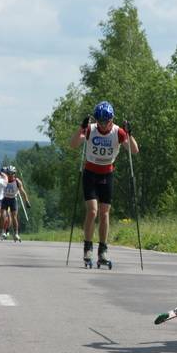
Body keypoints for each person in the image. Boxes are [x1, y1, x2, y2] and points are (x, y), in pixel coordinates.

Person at [69, 101, 139, 265]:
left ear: (112, 119)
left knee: (104, 212)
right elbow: (73, 145)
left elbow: (134, 150)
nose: (103, 125)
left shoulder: (117, 132)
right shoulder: (91, 129)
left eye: (106, 122)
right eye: (100, 121)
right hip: (90, 173)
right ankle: (88, 247)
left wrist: (129, 134)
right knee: (92, 211)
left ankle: (103, 250)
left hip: (107, 174)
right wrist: (81, 128)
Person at [0, 165, 31, 241]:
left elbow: (23, 192)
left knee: (14, 217)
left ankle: (16, 234)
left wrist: (26, 201)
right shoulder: (4, 180)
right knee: (3, 215)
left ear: (14, 174)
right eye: (8, 173)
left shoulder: (17, 181)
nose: (10, 175)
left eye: (12, 173)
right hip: (5, 199)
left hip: (13, 199)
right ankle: (3, 231)